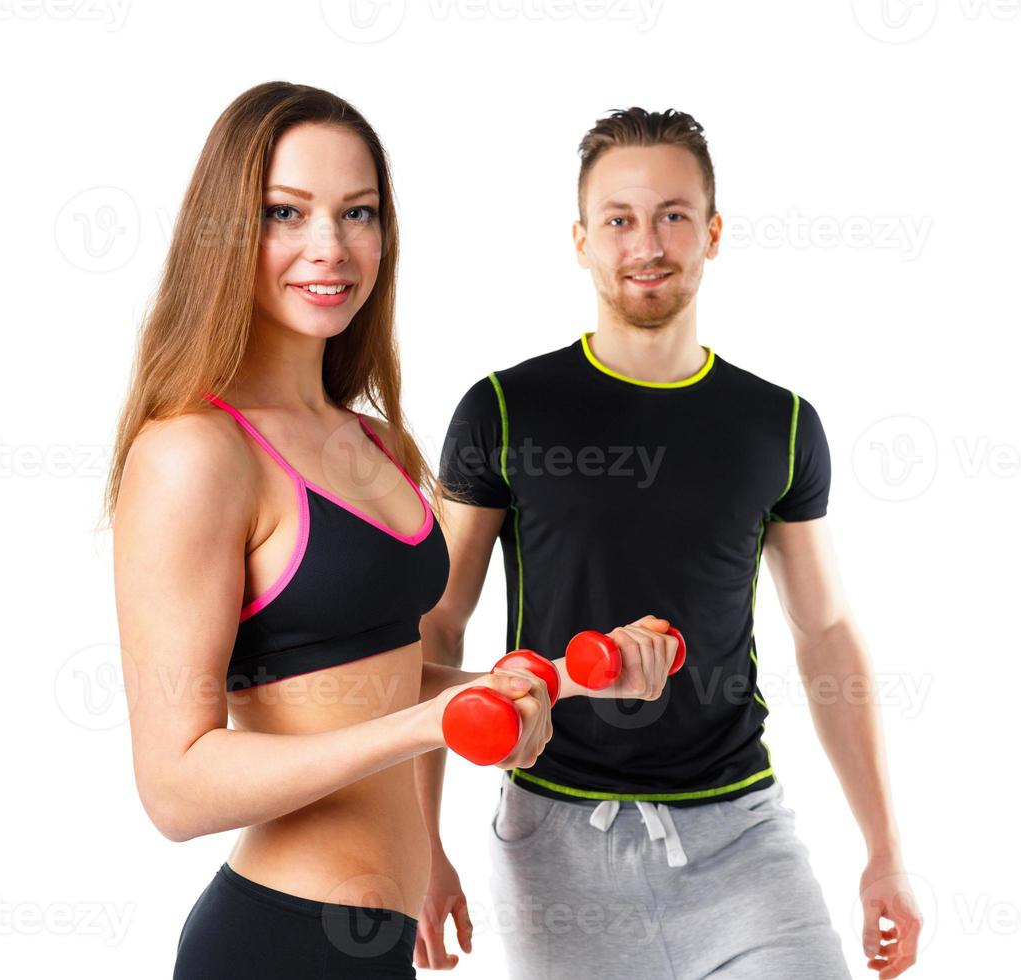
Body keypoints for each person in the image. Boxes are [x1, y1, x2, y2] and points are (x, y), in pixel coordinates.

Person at [105, 81, 677, 980]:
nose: (329, 248)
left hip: (377, 951)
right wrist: (429, 725)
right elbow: (175, 786)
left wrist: (563, 678)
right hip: (276, 946)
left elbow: (368, 681)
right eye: (284, 213)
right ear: (226, 232)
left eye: (357, 212)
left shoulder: (373, 438)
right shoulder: (193, 452)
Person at [415, 108, 924, 979]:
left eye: (672, 215)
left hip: (740, 837)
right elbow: (435, 626)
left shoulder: (781, 424)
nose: (645, 242)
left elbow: (825, 632)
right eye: (618, 218)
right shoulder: (503, 409)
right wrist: (417, 843)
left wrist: (884, 851)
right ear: (580, 239)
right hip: (554, 837)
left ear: (712, 233)